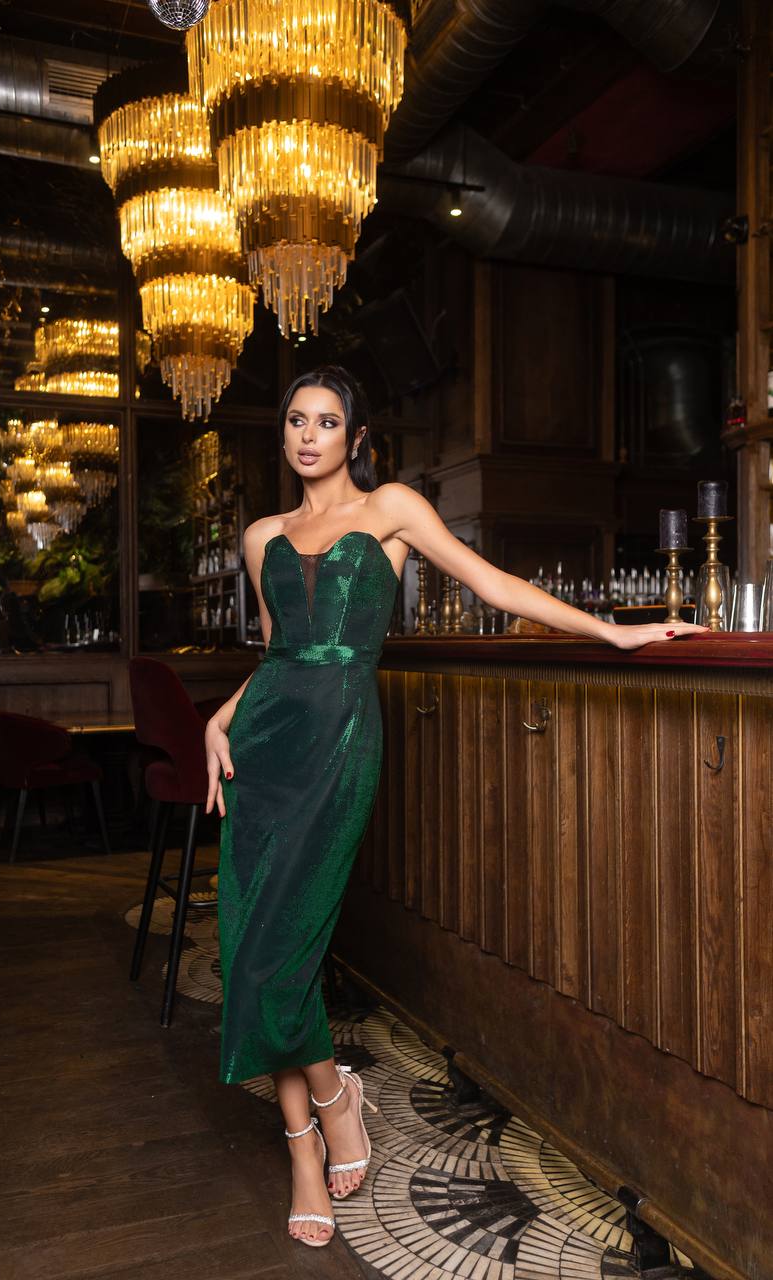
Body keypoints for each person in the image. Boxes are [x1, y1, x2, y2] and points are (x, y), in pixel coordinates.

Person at [204, 364, 706, 1248]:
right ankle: (312, 1136)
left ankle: (328, 1102)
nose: (307, 435)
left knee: (283, 950)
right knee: (253, 947)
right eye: (294, 421)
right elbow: (280, 653)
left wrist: (614, 630)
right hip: (264, 752)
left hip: (343, 746)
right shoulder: (259, 537)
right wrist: (221, 716)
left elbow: (493, 585)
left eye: (326, 422)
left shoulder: (392, 508)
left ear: (354, 438)